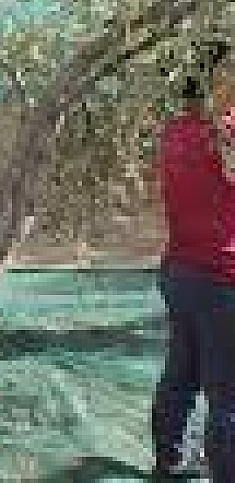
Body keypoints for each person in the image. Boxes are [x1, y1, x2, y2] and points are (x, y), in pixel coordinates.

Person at [151, 39, 235, 481]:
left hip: (179, 271)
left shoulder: (174, 132)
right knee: (228, 393)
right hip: (222, 279)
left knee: (180, 375)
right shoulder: (223, 132)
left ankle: (169, 460)